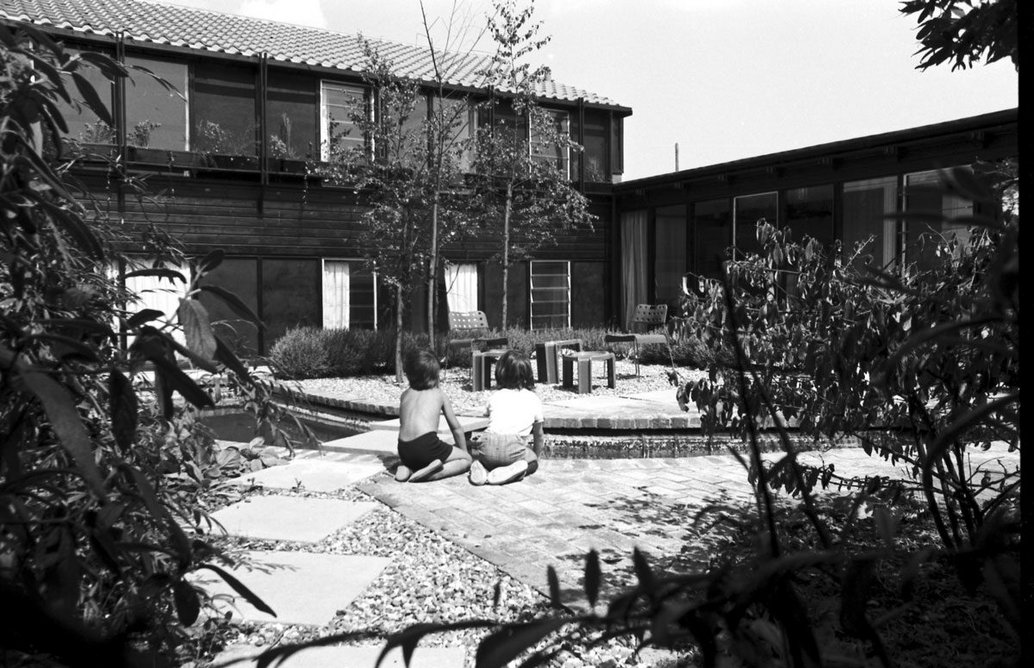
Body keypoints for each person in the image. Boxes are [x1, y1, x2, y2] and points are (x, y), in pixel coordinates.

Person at [469, 349, 544, 485]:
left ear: (500, 372)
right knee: (532, 462)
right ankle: (512, 472)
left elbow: (486, 417)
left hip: (487, 447)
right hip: (513, 447)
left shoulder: (495, 396)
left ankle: (481, 467)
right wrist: (536, 456)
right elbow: (539, 436)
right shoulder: (534, 399)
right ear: (528, 374)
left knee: (490, 458)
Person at [395, 349, 472, 482]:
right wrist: (464, 453)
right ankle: (433, 474)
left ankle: (407, 467)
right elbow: (456, 428)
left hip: (404, 450)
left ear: (409, 374)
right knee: (465, 460)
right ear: (435, 375)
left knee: (417, 455)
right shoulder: (439, 394)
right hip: (426, 446)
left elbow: (404, 426)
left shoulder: (405, 395)